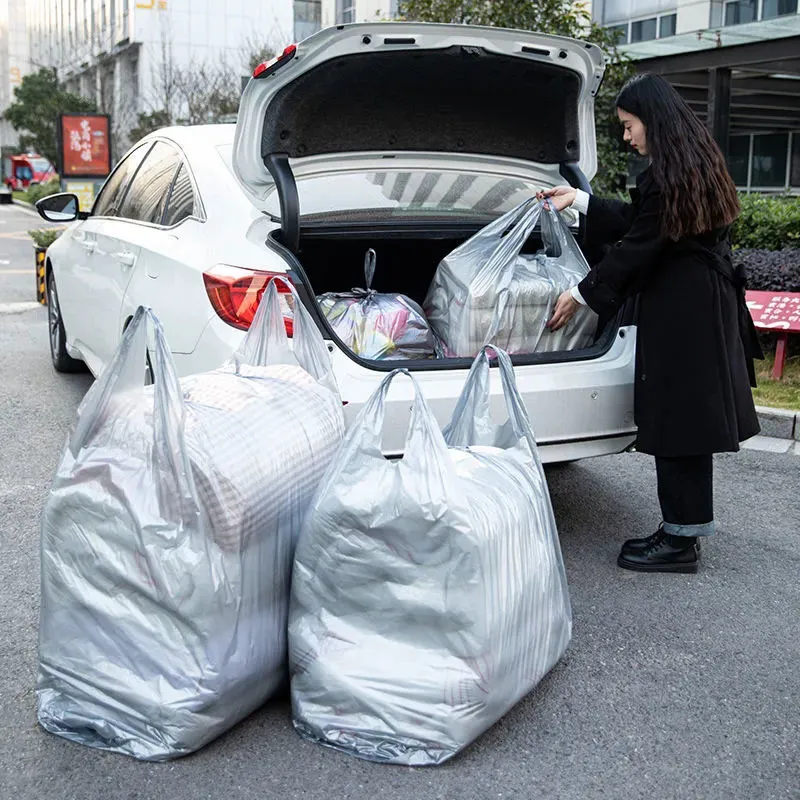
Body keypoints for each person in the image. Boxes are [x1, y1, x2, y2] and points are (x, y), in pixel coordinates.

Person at [539, 72, 761, 575]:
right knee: (685, 421)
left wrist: (579, 294)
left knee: (678, 422)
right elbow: (646, 222)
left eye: (628, 125)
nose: (626, 136)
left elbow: (638, 248)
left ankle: (679, 543)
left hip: (684, 311)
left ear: (652, 120)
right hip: (699, 304)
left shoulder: (670, 175)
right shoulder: (692, 163)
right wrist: (580, 200)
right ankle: (682, 531)